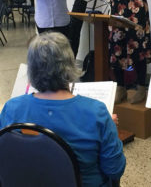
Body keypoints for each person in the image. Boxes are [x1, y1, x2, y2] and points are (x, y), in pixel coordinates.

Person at [0, 32, 126, 187]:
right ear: (70, 65)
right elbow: (114, 169)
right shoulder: (97, 113)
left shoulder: (11, 108)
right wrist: (110, 128)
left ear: (31, 69)